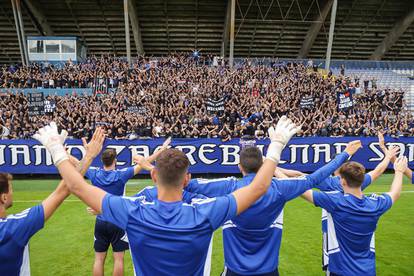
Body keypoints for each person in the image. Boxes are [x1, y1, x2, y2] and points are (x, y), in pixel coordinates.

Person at [33, 116, 300, 275]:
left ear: (153, 176)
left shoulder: (132, 212)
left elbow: (77, 186)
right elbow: (257, 188)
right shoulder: (206, 213)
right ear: (187, 179)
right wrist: (275, 146)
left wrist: (58, 151)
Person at [184, 141, 361, 275]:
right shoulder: (278, 188)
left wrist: (156, 165)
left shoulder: (229, 186)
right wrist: (344, 154)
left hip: (235, 269)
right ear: (262, 165)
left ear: (239, 167)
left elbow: (185, 183)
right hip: (268, 270)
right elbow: (313, 179)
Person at [275, 135, 399, 273]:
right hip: (365, 262)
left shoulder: (332, 191)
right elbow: (378, 171)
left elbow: (299, 179)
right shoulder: (371, 198)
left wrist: (274, 167)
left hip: (334, 229)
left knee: (332, 253)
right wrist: (391, 161)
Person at [0, 124, 104, 276]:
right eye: (11, 189)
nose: (12, 192)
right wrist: (89, 155)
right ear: (3, 197)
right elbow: (64, 190)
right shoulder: (13, 228)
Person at [301, 155, 408, 275]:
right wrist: (399, 171)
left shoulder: (336, 202)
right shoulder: (376, 204)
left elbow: (300, 189)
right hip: (367, 270)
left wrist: (277, 172)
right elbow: (395, 193)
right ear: (363, 180)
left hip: (341, 269)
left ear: (342, 181)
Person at [85, 138, 171, 276]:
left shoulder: (94, 173)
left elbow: (76, 163)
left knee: (99, 259)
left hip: (100, 219)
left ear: (102, 160)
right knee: (118, 259)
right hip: (117, 220)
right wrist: (161, 149)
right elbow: (144, 162)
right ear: (115, 161)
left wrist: (61, 152)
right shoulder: (121, 175)